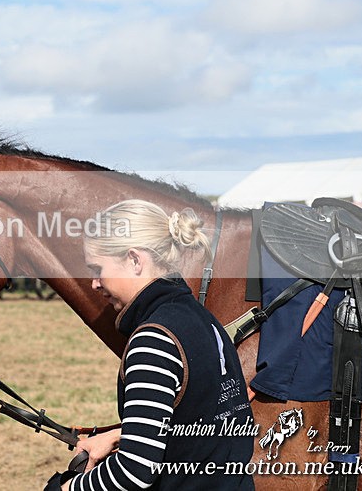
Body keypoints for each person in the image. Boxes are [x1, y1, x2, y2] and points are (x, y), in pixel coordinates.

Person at [47, 200, 253, 491]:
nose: (94, 283)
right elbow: (204, 420)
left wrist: (66, 488)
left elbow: (135, 471)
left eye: (98, 268)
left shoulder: (153, 339)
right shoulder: (203, 319)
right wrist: (121, 435)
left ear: (134, 260)